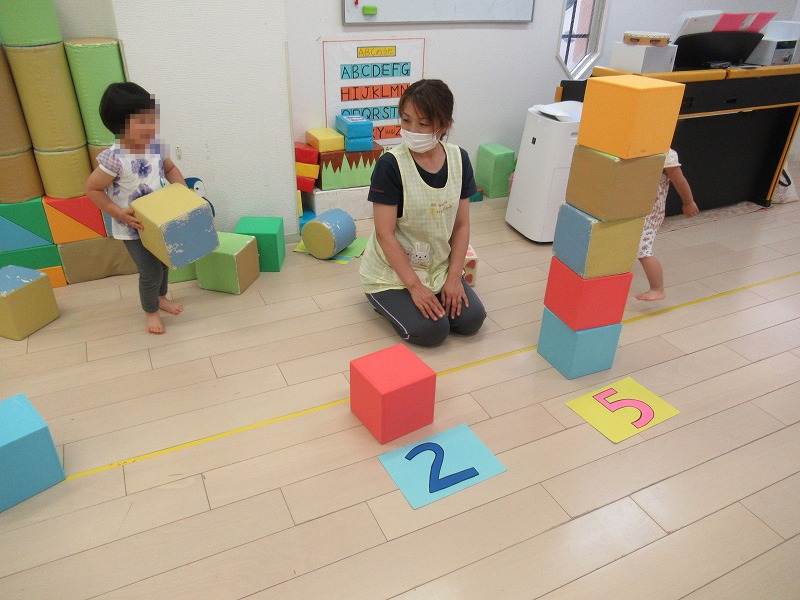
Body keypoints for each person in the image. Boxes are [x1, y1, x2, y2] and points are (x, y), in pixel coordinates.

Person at [359, 79, 487, 346]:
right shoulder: (390, 165)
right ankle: (381, 299)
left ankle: (432, 293)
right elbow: (384, 235)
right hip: (392, 273)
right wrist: (415, 287)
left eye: (423, 123)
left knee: (472, 320)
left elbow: (461, 225)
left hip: (437, 267)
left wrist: (454, 277)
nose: (412, 130)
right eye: (406, 120)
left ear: (444, 126)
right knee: (433, 331)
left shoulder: (459, 159)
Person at [85, 82, 187, 334]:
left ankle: (160, 298)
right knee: (150, 271)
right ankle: (151, 311)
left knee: (164, 263)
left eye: (152, 119)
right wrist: (117, 213)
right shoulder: (115, 158)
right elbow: (93, 189)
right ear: (120, 127)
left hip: (160, 220)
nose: (151, 126)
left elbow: (170, 169)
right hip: (133, 227)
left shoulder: (156, 145)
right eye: (142, 122)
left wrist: (183, 193)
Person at [636, 148, 699, 301]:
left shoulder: (666, 155)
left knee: (642, 250)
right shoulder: (635, 146)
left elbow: (679, 181)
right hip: (633, 209)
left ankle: (657, 289)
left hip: (650, 215)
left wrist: (688, 202)